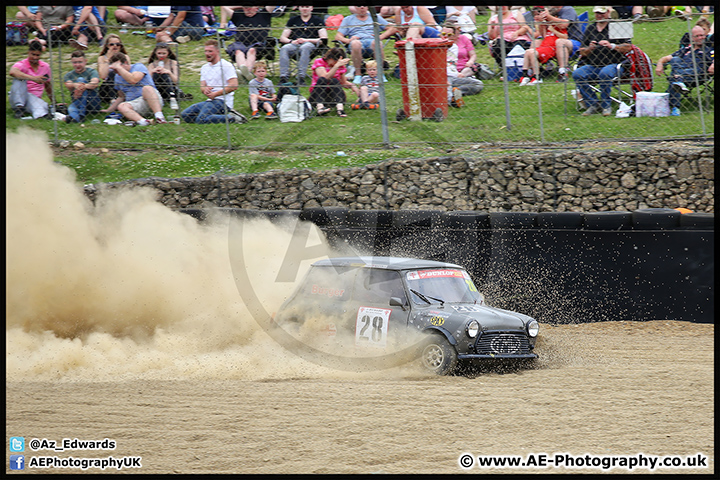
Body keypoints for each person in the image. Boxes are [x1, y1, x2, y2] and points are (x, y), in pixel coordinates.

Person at [572, 6, 632, 116]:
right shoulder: (590, 28)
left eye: (602, 13)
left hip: (615, 64)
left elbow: (629, 47)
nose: (599, 15)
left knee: (604, 73)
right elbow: (581, 52)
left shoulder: (618, 25)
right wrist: (589, 48)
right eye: (597, 13)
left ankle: (606, 105)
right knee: (577, 74)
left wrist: (612, 46)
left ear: (608, 12)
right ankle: (593, 104)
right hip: (593, 65)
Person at [180, 39, 246, 124]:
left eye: (210, 51)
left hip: (222, 101)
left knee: (201, 120)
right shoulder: (204, 67)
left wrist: (216, 94)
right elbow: (202, 86)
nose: (207, 54)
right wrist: (205, 90)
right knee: (185, 115)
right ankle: (214, 117)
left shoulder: (226, 65)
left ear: (217, 51)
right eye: (206, 51)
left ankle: (232, 117)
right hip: (210, 101)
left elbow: (234, 85)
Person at [656, 25, 714, 116]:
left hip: (696, 75)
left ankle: (673, 105)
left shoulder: (709, 50)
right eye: (697, 36)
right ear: (692, 38)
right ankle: (678, 84)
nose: (700, 38)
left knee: (675, 76)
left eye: (702, 35)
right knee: (675, 60)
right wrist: (659, 64)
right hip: (682, 74)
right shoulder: (685, 49)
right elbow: (666, 58)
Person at [335, 6, 395, 84]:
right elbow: (338, 36)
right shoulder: (348, 19)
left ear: (368, 7)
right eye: (359, 6)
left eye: (364, 6)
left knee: (377, 43)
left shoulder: (375, 17)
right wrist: (348, 40)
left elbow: (392, 28)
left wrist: (380, 37)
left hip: (372, 40)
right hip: (357, 42)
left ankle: (380, 74)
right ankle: (358, 75)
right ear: (355, 8)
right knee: (356, 43)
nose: (362, 8)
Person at [109, 52, 167, 126]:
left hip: (151, 99)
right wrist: (109, 109)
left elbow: (133, 80)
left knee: (147, 88)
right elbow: (121, 96)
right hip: (135, 104)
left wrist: (119, 68)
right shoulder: (117, 77)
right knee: (121, 106)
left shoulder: (138, 67)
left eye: (117, 67)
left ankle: (159, 117)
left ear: (126, 63)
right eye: (114, 69)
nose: (116, 71)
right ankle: (144, 121)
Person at [278, 5, 328, 86]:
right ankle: (283, 77)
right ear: (299, 8)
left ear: (311, 8)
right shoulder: (293, 20)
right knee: (284, 48)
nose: (305, 9)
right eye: (302, 6)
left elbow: (323, 39)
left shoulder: (318, 20)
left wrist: (306, 40)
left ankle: (301, 77)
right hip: (295, 45)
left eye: (307, 6)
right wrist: (291, 41)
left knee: (306, 46)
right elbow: (282, 38)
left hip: (311, 45)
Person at [519, 6, 568, 85]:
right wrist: (542, 23)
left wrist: (554, 31)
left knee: (532, 52)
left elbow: (565, 37)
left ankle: (537, 77)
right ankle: (525, 76)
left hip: (550, 48)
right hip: (544, 46)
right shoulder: (547, 25)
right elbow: (544, 36)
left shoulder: (559, 24)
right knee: (528, 51)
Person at [225, 6, 275, 82]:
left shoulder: (264, 14)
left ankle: (244, 73)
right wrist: (242, 5)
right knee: (238, 51)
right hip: (241, 43)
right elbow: (224, 7)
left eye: (250, 7)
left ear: (256, 8)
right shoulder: (238, 16)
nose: (248, 10)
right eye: (245, 8)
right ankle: (246, 74)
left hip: (259, 44)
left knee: (251, 50)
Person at [441, 22, 484, 108]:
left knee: (478, 84)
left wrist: (456, 74)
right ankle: (452, 101)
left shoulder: (454, 47)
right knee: (447, 86)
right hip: (442, 76)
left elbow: (450, 64)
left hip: (454, 76)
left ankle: (456, 92)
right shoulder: (435, 46)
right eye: (443, 34)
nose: (445, 37)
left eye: (449, 34)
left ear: (454, 36)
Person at [308, 47, 360, 117]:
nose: (335, 64)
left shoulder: (340, 65)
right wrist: (336, 66)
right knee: (323, 79)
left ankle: (340, 109)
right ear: (330, 58)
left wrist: (353, 86)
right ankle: (320, 107)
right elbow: (325, 77)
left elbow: (343, 82)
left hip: (334, 96)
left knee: (334, 80)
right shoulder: (319, 62)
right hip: (318, 95)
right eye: (335, 61)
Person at [8, 40, 53, 119]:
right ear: (29, 52)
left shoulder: (45, 67)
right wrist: (33, 78)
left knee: (39, 104)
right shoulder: (21, 64)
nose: (35, 57)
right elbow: (12, 72)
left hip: (34, 99)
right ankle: (19, 108)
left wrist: (54, 102)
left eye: (37, 55)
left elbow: (48, 85)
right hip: (18, 97)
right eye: (33, 54)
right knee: (19, 78)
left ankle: (40, 115)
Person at [54, 50, 101, 123]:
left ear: (85, 61)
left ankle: (80, 113)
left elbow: (94, 83)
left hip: (92, 102)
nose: (77, 65)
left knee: (81, 79)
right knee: (71, 108)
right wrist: (75, 85)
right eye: (75, 62)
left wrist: (82, 86)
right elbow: (68, 85)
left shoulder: (92, 71)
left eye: (80, 62)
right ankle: (75, 118)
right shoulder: (69, 75)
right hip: (77, 101)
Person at [96, 34, 128, 107]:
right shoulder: (102, 58)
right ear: (107, 46)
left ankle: (116, 100)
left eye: (118, 44)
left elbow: (127, 71)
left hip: (121, 84)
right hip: (107, 88)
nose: (115, 46)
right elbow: (103, 76)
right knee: (112, 73)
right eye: (112, 44)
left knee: (115, 73)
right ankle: (112, 100)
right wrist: (108, 60)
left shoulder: (125, 57)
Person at [147, 43, 180, 107]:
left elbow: (176, 81)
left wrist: (168, 72)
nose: (161, 56)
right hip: (156, 89)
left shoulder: (173, 63)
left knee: (164, 75)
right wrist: (152, 72)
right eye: (159, 53)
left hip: (170, 88)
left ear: (168, 53)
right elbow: (147, 82)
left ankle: (172, 99)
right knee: (157, 74)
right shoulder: (152, 65)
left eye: (164, 53)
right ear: (155, 53)